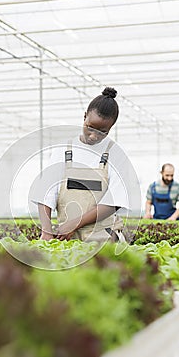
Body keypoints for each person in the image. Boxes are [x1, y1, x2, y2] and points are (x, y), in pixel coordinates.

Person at [34, 87, 136, 242]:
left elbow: (113, 203)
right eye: (90, 127)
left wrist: (74, 223)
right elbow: (46, 194)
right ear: (84, 117)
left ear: (110, 128)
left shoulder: (116, 154)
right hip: (66, 237)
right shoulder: (63, 150)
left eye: (103, 132)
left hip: (104, 237)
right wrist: (47, 230)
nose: (94, 136)